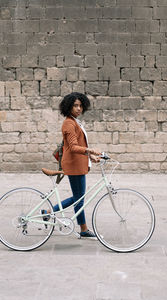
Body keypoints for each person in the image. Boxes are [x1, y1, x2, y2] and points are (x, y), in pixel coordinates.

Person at [44, 92, 101, 239]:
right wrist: (90, 150)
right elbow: (74, 147)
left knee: (79, 198)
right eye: (75, 105)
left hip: (78, 163)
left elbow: (78, 145)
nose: (78, 108)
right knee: (79, 198)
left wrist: (91, 156)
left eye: (81, 105)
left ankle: (81, 228)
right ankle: (52, 213)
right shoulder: (69, 123)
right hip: (74, 165)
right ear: (68, 106)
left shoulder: (74, 121)